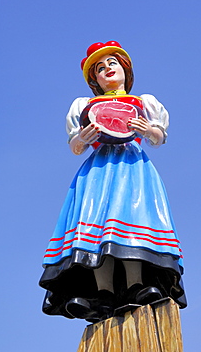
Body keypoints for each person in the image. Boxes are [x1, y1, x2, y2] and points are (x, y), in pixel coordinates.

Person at [39, 41, 187, 322]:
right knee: (97, 224)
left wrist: (149, 129)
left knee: (132, 219)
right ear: (94, 79)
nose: (107, 69)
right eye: (99, 68)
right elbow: (75, 146)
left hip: (132, 166)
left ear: (125, 70)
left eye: (112, 64)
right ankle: (103, 291)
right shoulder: (84, 105)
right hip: (99, 170)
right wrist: (83, 137)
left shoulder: (143, 102)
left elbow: (159, 138)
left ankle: (136, 284)